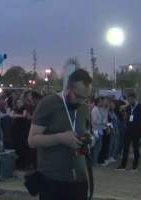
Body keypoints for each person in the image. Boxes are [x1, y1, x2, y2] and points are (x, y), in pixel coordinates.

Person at [28, 69, 94, 200]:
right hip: (53, 181)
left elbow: (87, 132)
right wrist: (60, 138)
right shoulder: (48, 103)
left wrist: (90, 140)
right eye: (79, 96)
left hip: (80, 180)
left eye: (86, 98)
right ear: (69, 87)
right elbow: (32, 140)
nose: (82, 101)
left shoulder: (83, 108)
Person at [115, 92, 141, 171]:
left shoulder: (140, 106)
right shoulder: (129, 107)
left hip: (136, 130)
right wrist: (124, 115)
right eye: (127, 98)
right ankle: (123, 165)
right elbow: (125, 118)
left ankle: (135, 165)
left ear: (133, 98)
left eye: (129, 98)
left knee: (135, 147)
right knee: (125, 147)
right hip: (128, 129)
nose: (128, 100)